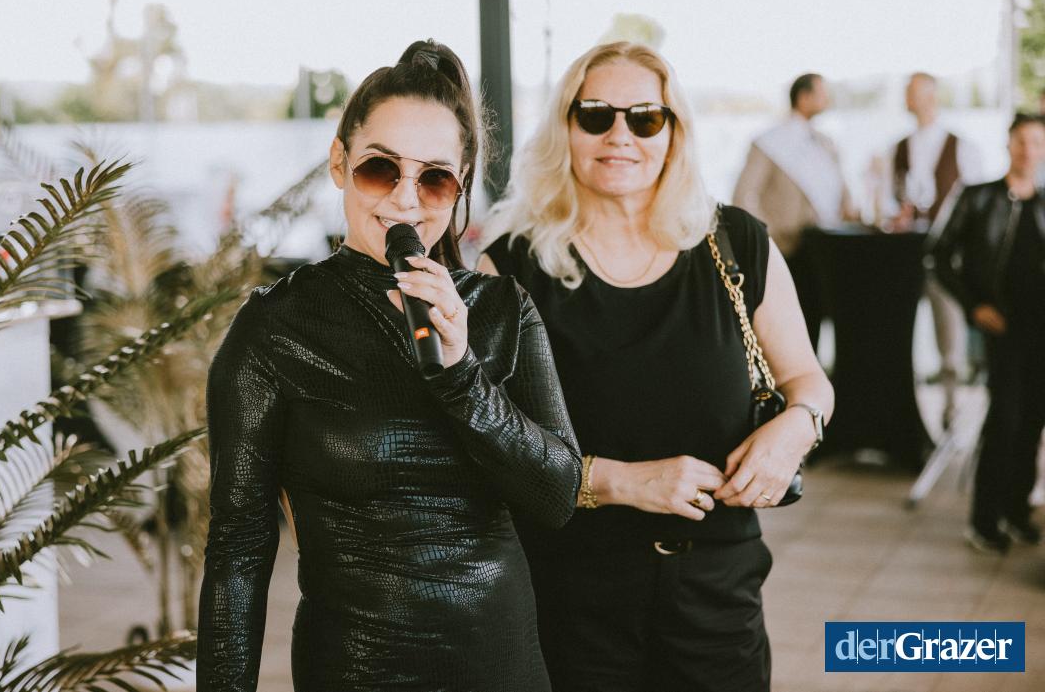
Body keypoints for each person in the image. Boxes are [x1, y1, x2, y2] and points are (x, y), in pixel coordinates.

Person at [197, 39, 582, 691]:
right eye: (381, 169)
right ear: (339, 163)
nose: (405, 201)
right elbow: (239, 547)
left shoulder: (501, 309)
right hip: (354, 668)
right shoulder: (274, 327)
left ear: (460, 185)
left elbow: (558, 496)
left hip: (500, 663)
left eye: (434, 179)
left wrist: (461, 375)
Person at [478, 41, 834, 692]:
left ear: (674, 133)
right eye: (596, 116)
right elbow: (492, 447)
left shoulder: (737, 243)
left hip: (718, 591)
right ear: (565, 129)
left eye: (645, 118)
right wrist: (621, 481)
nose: (621, 136)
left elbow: (808, 381)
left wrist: (797, 426)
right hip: (572, 595)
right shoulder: (509, 268)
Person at [929, 113, 1045, 555]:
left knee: (1033, 419)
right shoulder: (978, 197)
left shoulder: (1042, 203)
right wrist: (974, 306)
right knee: (1005, 419)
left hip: (1039, 328)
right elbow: (938, 256)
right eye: (1021, 141)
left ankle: (1016, 510)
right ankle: (984, 519)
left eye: (1037, 142)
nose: (1028, 150)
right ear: (1008, 144)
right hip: (1001, 327)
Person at [732, 73, 853, 349]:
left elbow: (842, 193)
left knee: (817, 319)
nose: (828, 99)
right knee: (786, 329)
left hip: (823, 246)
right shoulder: (769, 143)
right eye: (822, 93)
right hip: (786, 249)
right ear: (804, 97)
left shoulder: (826, 143)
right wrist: (769, 237)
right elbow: (744, 196)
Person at [885, 72, 985, 394]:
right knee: (899, 334)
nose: (907, 99)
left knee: (950, 340)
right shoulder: (898, 148)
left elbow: (975, 208)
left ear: (931, 97)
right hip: (906, 254)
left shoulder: (962, 146)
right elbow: (891, 200)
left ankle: (952, 406)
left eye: (912, 92)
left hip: (947, 258)